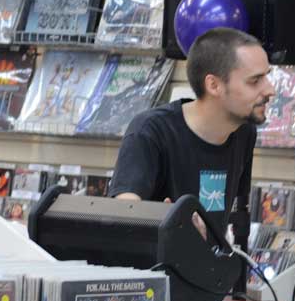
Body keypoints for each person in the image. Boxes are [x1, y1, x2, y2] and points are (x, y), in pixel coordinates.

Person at [110, 28, 274, 239]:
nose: (270, 90)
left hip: (206, 269)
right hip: (153, 269)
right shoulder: (151, 130)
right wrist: (161, 220)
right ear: (213, 85)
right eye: (255, 81)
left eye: (267, 77)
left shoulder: (244, 132)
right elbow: (124, 210)